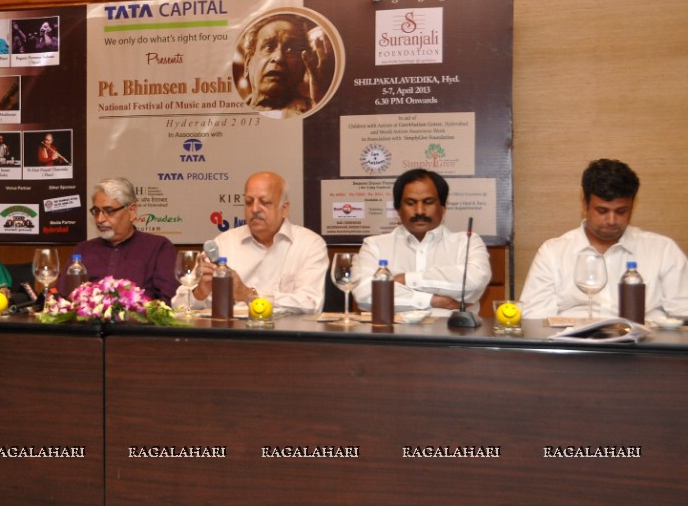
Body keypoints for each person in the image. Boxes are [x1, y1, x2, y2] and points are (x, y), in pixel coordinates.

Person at [520, 159, 688, 320]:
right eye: (602, 210)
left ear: (632, 205)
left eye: (621, 211)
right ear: (585, 204)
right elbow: (534, 318)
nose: (611, 220)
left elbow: (683, 313)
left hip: (643, 346)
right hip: (577, 345)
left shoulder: (663, 250)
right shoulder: (553, 253)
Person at [177, 171, 328, 314]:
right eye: (249, 202)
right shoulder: (224, 242)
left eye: (265, 202)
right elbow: (178, 306)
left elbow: (311, 304)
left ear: (284, 209)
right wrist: (200, 292)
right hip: (231, 335)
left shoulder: (309, 244)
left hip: (287, 336)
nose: (255, 209)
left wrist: (248, 294)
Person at [353, 169, 491, 317]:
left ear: (443, 207)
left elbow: (473, 282)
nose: (420, 211)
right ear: (398, 209)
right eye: (410, 203)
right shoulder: (375, 246)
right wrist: (433, 300)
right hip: (393, 336)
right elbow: (365, 294)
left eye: (428, 202)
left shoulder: (467, 242)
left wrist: (404, 279)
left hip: (454, 335)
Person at [71, 177, 179, 303]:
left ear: (132, 211)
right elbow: (63, 296)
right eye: (96, 211)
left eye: (109, 211)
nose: (100, 219)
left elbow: (170, 300)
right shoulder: (83, 250)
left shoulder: (158, 247)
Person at [241, 13, 332, 117]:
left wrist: (321, 103)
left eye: (291, 50)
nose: (279, 57)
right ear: (247, 64)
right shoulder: (230, 113)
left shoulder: (317, 108)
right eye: (268, 47)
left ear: (303, 68)